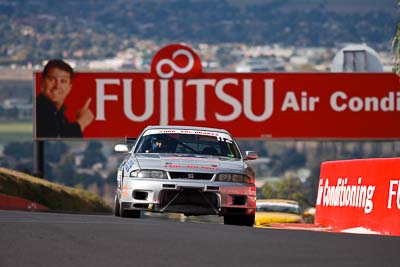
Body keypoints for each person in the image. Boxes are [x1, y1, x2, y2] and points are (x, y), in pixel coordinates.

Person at [36, 59, 94, 138]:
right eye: (51, 80)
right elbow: (55, 138)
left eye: (63, 81)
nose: (57, 86)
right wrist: (81, 122)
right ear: (42, 82)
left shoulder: (59, 115)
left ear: (69, 87)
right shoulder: (38, 111)